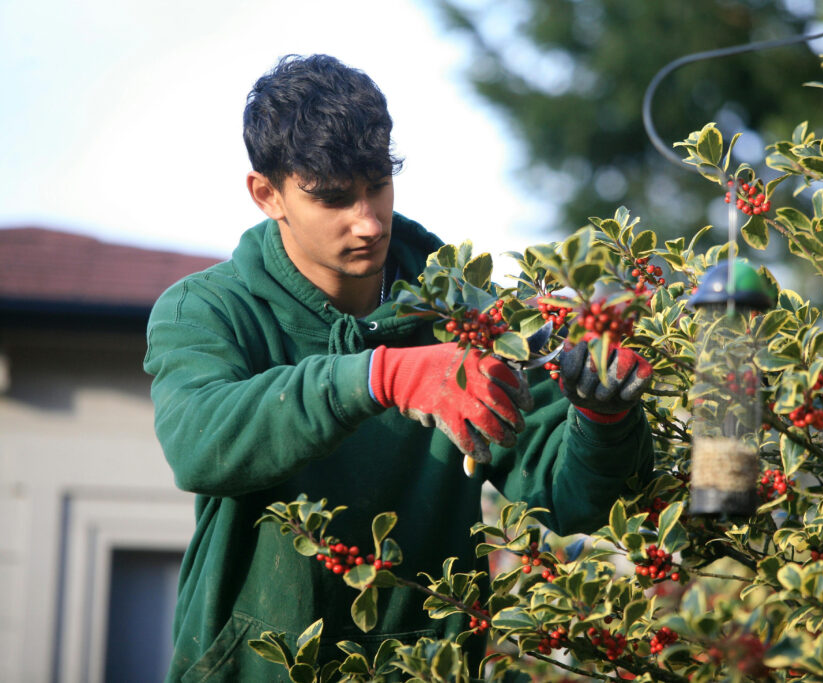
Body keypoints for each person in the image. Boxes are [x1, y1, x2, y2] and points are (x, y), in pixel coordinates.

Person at [144, 53, 654, 681]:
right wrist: (380, 377)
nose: (367, 221)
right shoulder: (207, 309)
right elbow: (197, 442)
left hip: (426, 668)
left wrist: (603, 417)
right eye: (332, 199)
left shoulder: (471, 316)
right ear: (266, 194)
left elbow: (567, 499)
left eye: (377, 185)